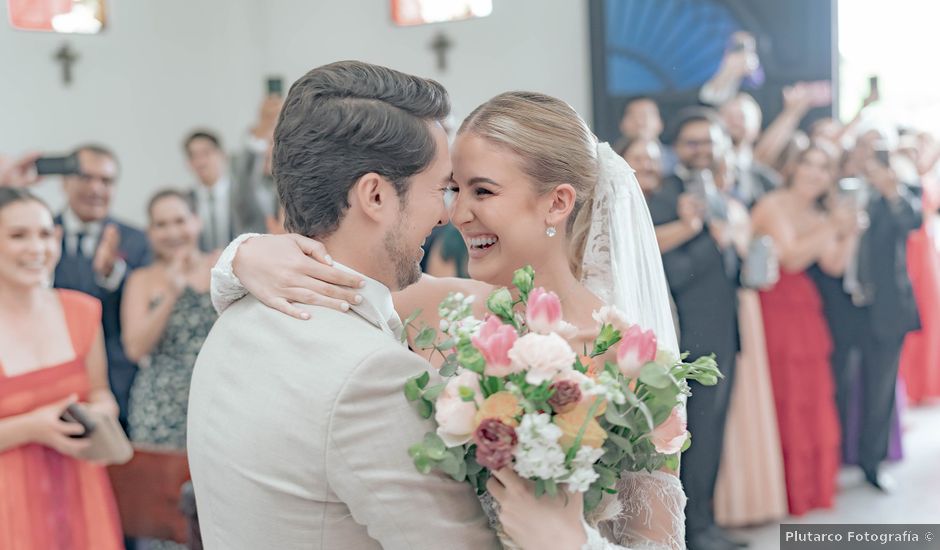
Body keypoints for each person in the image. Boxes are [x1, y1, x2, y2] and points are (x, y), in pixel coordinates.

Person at [207, 78, 687, 548]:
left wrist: (570, 541)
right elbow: (325, 278)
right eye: (452, 189)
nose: (455, 215)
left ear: (557, 203)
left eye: (483, 191)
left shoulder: (633, 362)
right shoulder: (433, 304)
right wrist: (243, 255)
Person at [0, 187, 123, 549]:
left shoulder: (83, 311)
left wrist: (99, 412)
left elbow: (101, 392)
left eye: (44, 234)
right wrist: (32, 427)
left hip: (83, 491)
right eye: (18, 236)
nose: (36, 248)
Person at [647, 108, 740, 550]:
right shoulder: (664, 198)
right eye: (692, 142)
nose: (701, 150)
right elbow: (673, 273)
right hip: (690, 339)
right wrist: (706, 236)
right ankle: (693, 531)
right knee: (693, 438)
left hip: (724, 332)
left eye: (709, 141)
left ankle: (708, 520)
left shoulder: (722, 194)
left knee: (715, 432)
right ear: (677, 148)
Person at [750, 144, 860, 515]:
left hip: (805, 309)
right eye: (809, 164)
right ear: (795, 168)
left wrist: (850, 232)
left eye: (824, 167)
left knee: (810, 394)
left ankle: (808, 487)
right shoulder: (774, 203)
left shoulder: (817, 213)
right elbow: (792, 256)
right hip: (774, 304)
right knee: (784, 393)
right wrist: (833, 225)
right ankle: (780, 490)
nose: (815, 173)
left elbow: (833, 265)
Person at [121, 190, 218, 549]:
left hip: (216, 400)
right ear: (150, 231)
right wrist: (171, 293)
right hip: (160, 407)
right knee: (165, 519)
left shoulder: (222, 263)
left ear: (196, 221)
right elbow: (135, 347)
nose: (172, 231)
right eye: (161, 224)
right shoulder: (141, 280)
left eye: (179, 220)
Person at [53, 144, 152, 429]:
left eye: (106, 181)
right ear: (65, 181)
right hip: (56, 378)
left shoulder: (136, 240)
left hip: (119, 380)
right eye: (85, 177)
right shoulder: (40, 234)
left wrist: (112, 273)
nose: (95, 189)